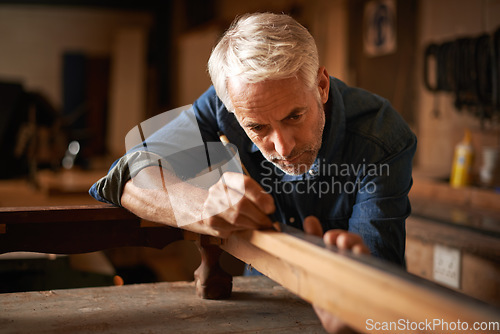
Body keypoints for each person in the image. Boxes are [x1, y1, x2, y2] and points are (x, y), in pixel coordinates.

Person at [90, 12, 416, 333]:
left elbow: (377, 290)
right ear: (231, 107)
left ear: (321, 85)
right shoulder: (226, 102)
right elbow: (128, 173)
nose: (283, 147)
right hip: (262, 305)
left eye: (294, 116)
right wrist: (202, 209)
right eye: (258, 127)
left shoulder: (382, 137)